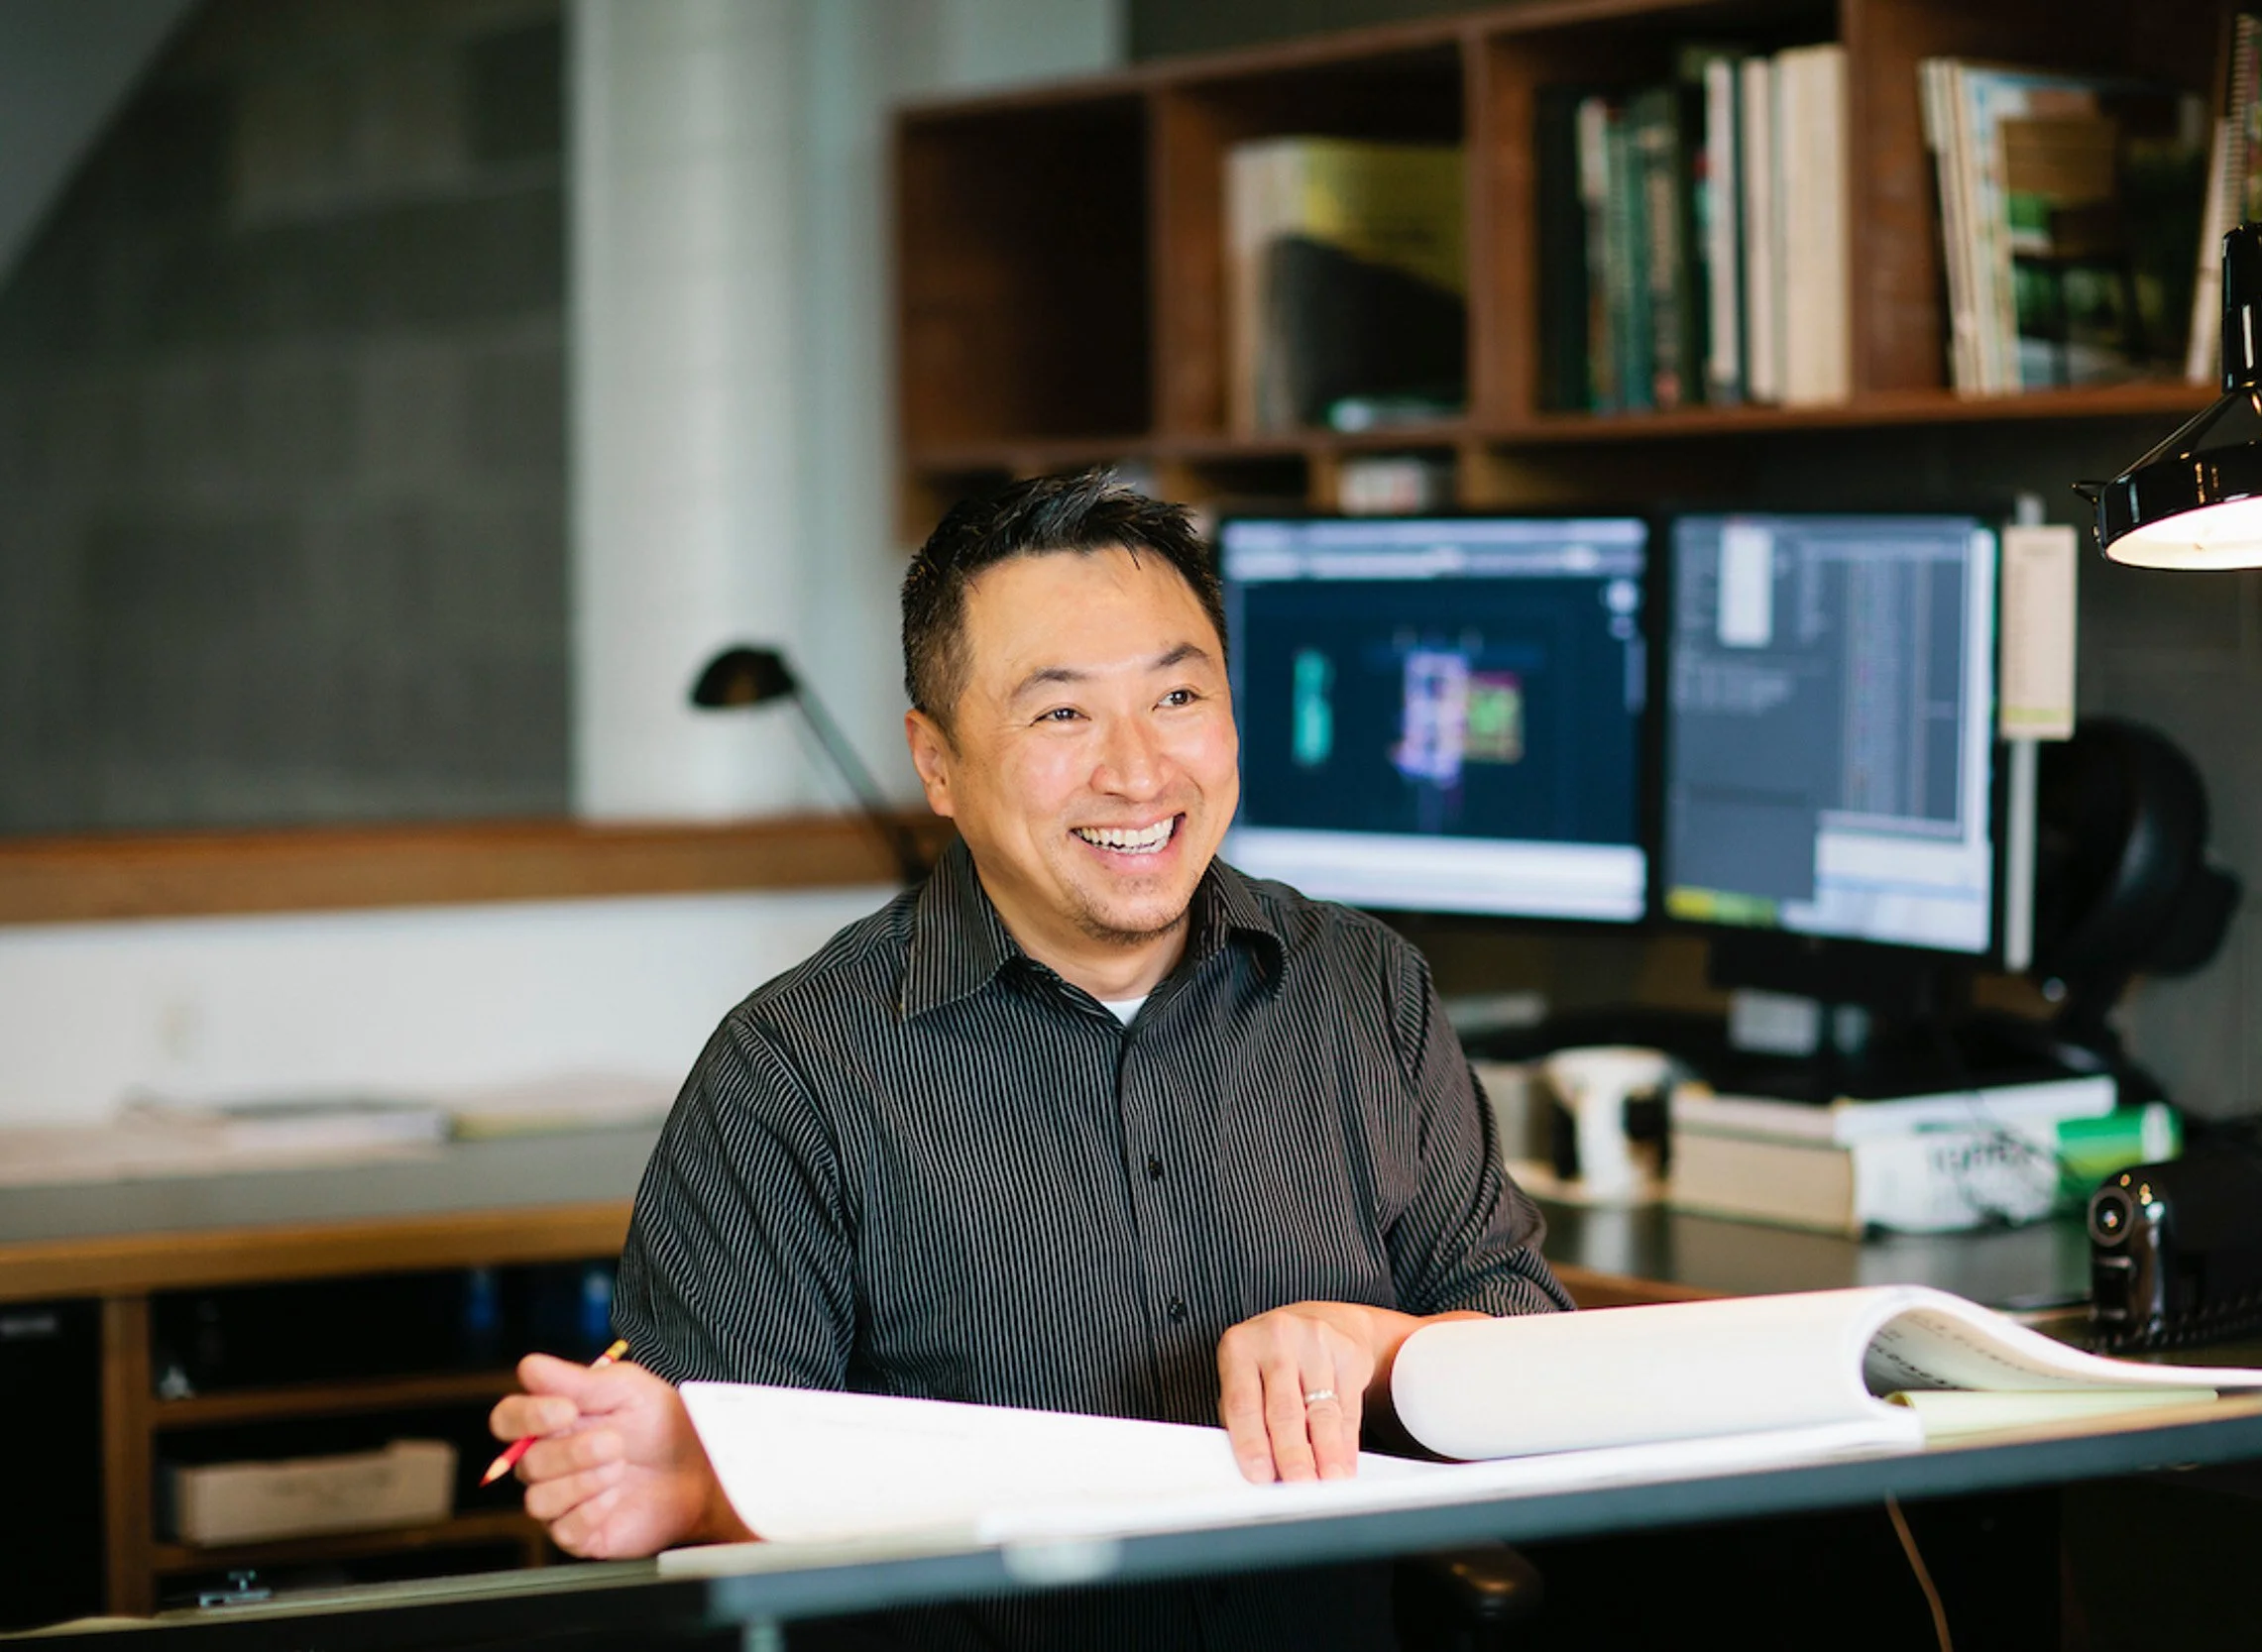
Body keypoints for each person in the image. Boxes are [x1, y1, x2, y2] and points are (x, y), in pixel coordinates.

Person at [490, 470, 1569, 1645]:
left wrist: (1374, 1350)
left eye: (1176, 694)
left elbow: (1525, 1346)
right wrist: (694, 1487)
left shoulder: (1365, 988)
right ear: (937, 763)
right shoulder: (791, 1073)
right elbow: (731, 1519)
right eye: (1060, 712)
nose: (1139, 769)